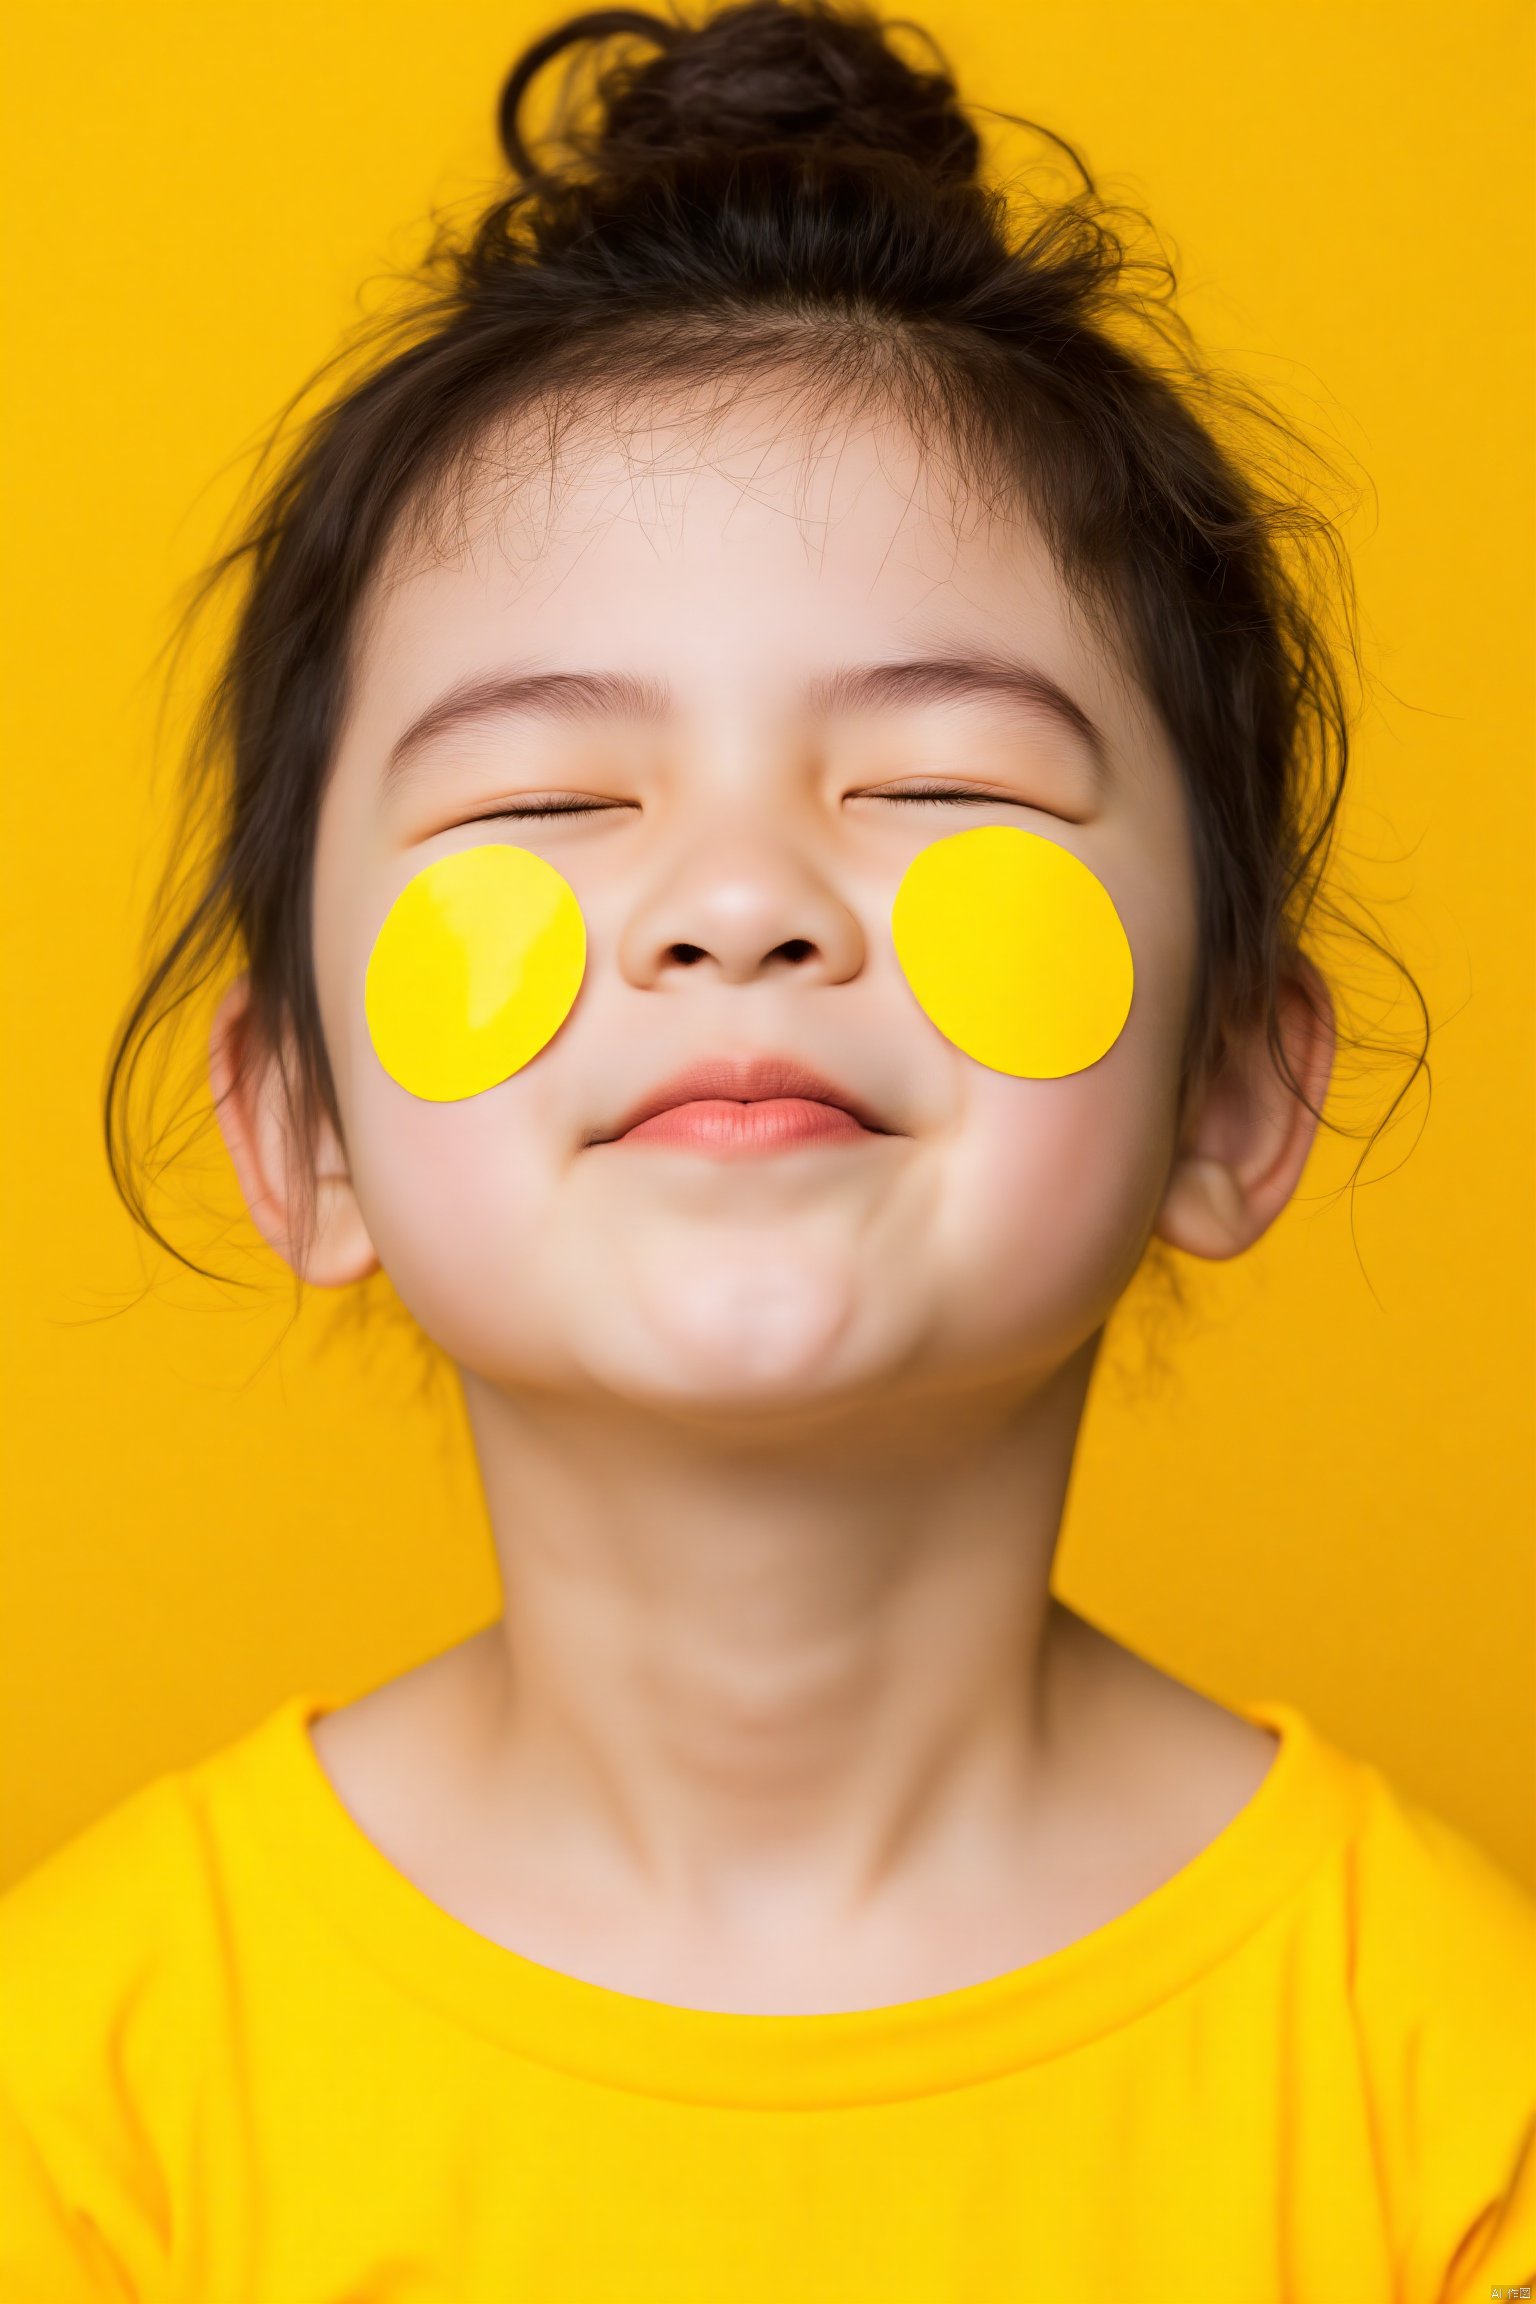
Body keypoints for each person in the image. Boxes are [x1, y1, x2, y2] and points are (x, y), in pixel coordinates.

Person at [3, 1, 1531, 2294]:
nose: (740, 899)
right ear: (296, 1123)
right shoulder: (88, 2093)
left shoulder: (1452, 2090)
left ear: (1236, 1090)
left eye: (940, 787)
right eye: (542, 804)